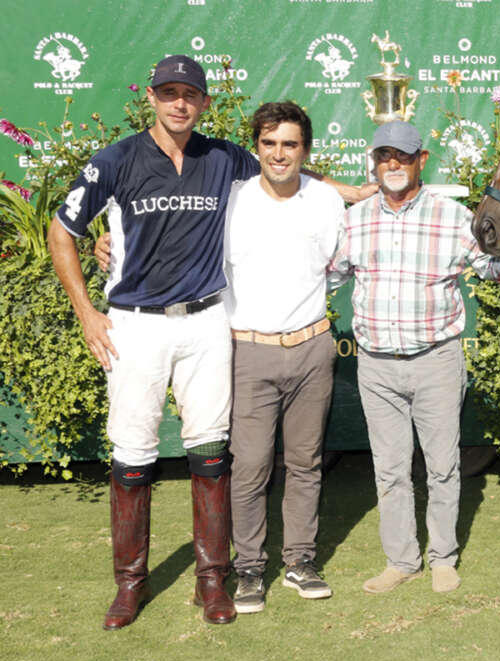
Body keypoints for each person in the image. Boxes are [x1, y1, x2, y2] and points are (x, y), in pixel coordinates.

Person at [49, 55, 368, 630]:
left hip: (205, 321)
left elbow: (287, 171)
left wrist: (350, 189)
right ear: (151, 97)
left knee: (210, 450)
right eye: (168, 92)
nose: (179, 103)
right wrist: (86, 312)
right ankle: (129, 586)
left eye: (189, 94)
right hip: (134, 322)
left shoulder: (223, 157)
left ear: (203, 104)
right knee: (133, 453)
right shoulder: (115, 160)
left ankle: (213, 581)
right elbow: (63, 230)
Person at [326, 120, 500, 595]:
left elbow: (493, 270)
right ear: (373, 161)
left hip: (436, 359)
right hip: (375, 365)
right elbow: (328, 278)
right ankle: (401, 561)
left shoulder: (454, 217)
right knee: (390, 469)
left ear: (421, 160)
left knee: (441, 466)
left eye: (403, 155)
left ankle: (442, 558)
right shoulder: (353, 220)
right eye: (384, 156)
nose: (393, 164)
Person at [222, 102, 343, 613]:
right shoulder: (231, 200)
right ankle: (249, 568)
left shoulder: (327, 201)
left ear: (305, 151)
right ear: (257, 147)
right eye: (269, 143)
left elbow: (334, 271)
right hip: (250, 350)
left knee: (305, 462)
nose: (279, 154)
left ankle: (299, 560)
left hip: (312, 348)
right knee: (249, 466)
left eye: (290, 144)